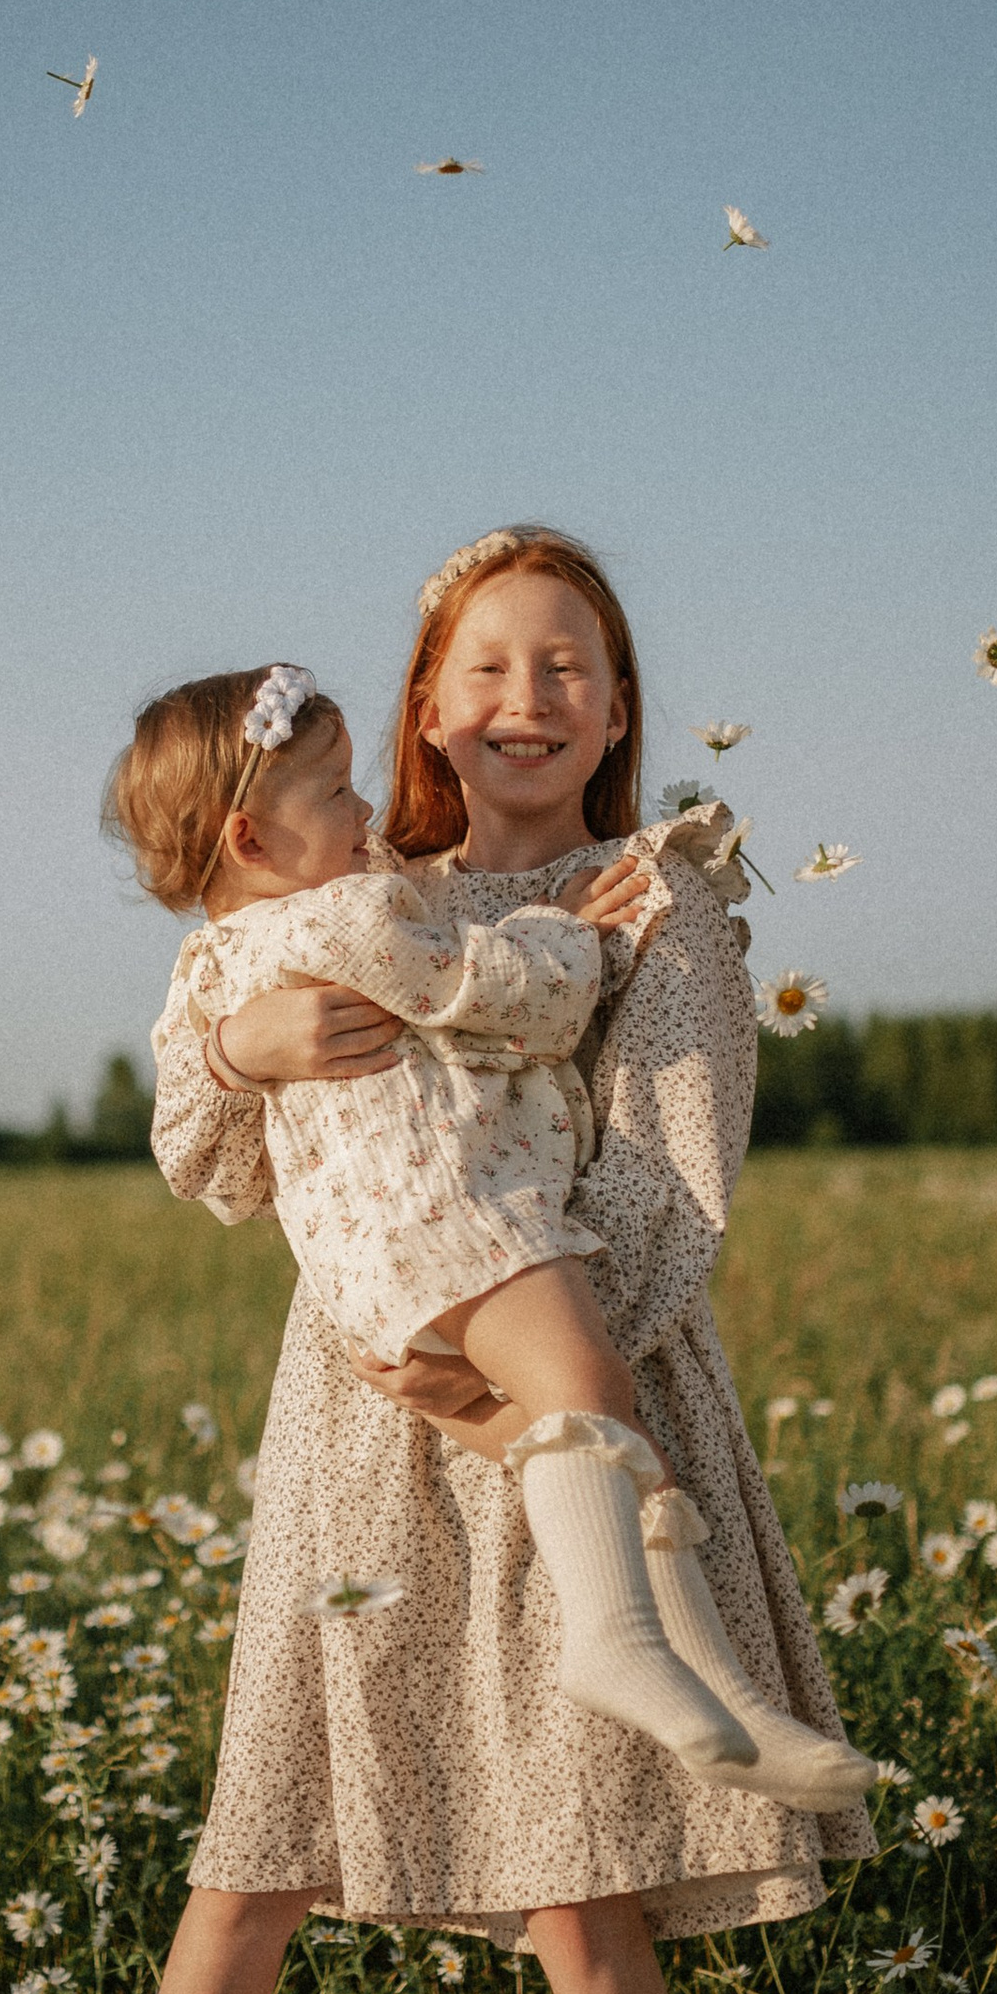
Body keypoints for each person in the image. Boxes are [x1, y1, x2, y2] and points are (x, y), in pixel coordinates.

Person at [25, 526, 877, 1994]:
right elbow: (214, 1144)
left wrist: (517, 1338)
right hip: (355, 1426)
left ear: (619, 706)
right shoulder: (354, 881)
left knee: (588, 1885)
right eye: (486, 667)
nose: (524, 700)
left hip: (573, 1378)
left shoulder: (662, 909)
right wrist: (240, 1047)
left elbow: (677, 1179)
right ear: (423, 705)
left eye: (567, 666)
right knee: (256, 1854)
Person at [108, 653, 873, 1802]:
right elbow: (510, 999)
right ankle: (616, 1645)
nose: (364, 810)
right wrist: (566, 930)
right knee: (589, 1380)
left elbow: (187, 1153)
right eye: (332, 794)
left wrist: (223, 1048)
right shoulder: (358, 915)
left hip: (377, 1269)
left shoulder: (208, 966)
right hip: (446, 1220)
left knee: (624, 1457)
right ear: (253, 843)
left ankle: (725, 1705)